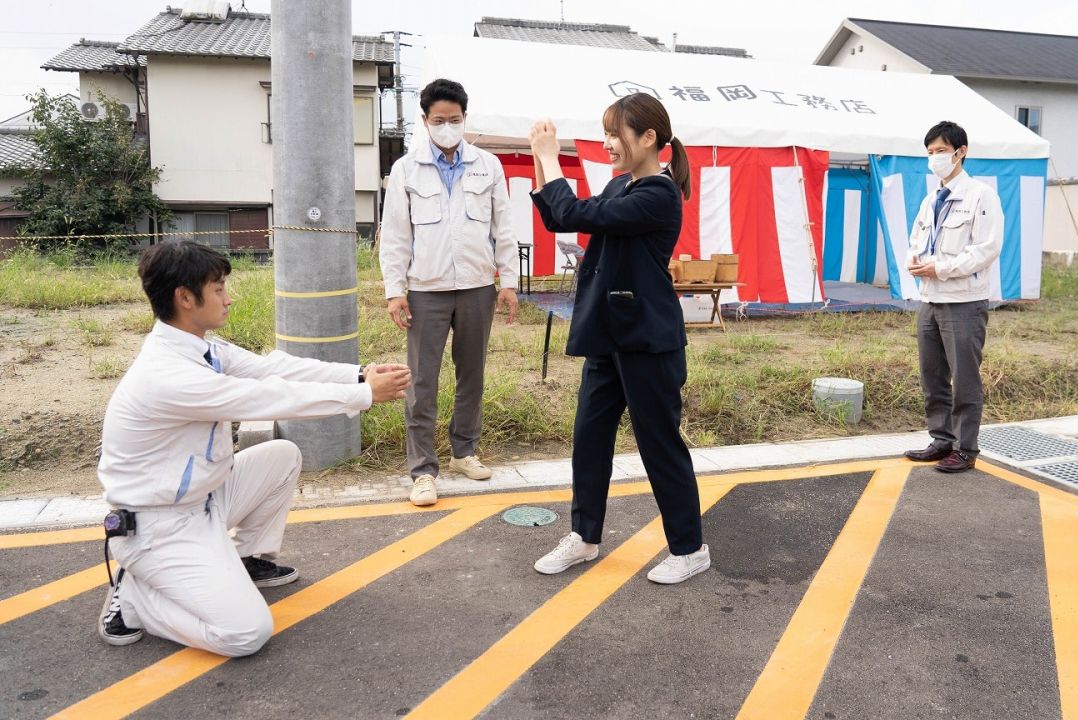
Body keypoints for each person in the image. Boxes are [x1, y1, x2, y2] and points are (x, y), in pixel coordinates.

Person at [97, 240, 410, 656]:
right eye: (219, 289)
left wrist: (358, 375)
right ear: (185, 298)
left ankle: (242, 560)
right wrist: (365, 396)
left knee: (281, 457)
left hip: (204, 502)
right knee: (245, 633)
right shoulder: (167, 374)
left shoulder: (202, 348)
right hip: (160, 526)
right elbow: (269, 398)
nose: (229, 298)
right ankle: (136, 598)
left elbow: (273, 367)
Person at [526, 93, 710, 585]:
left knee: (659, 445)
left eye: (616, 134)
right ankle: (585, 537)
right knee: (589, 439)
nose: (608, 143)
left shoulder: (658, 194)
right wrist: (543, 166)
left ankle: (690, 548)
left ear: (649, 138)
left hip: (648, 341)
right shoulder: (618, 186)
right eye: (605, 133)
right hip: (608, 335)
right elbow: (562, 215)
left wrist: (549, 157)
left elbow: (583, 215)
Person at [379, 78, 520, 507]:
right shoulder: (406, 169)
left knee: (471, 374)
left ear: (464, 119)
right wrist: (394, 291)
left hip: (478, 286)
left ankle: (464, 451)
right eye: (438, 120)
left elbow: (504, 227)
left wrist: (509, 282)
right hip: (426, 290)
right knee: (422, 381)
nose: (447, 126)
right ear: (424, 121)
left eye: (454, 119)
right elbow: (396, 236)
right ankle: (422, 470)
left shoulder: (487, 165)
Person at [903, 121, 1005, 473]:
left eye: (941, 151)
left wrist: (940, 268)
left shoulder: (980, 195)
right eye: (930, 153)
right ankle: (941, 438)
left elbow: (987, 249)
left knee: (964, 379)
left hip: (963, 301)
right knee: (932, 375)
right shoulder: (931, 199)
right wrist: (914, 262)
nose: (935, 158)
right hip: (929, 300)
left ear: (960, 152)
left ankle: (965, 449)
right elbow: (916, 239)